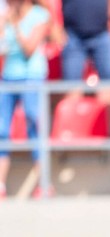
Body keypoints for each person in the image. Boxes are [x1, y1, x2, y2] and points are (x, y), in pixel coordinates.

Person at [0, 0, 52, 199]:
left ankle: (45, 184)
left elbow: (29, 48)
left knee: (35, 126)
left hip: (32, 77)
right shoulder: (6, 13)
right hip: (8, 77)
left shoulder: (40, 14)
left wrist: (14, 25)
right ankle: (1, 185)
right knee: (2, 130)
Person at [56, 0, 110, 101]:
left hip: (101, 32)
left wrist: (109, 14)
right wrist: (56, 26)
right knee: (71, 88)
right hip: (73, 35)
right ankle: (73, 116)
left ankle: (106, 116)